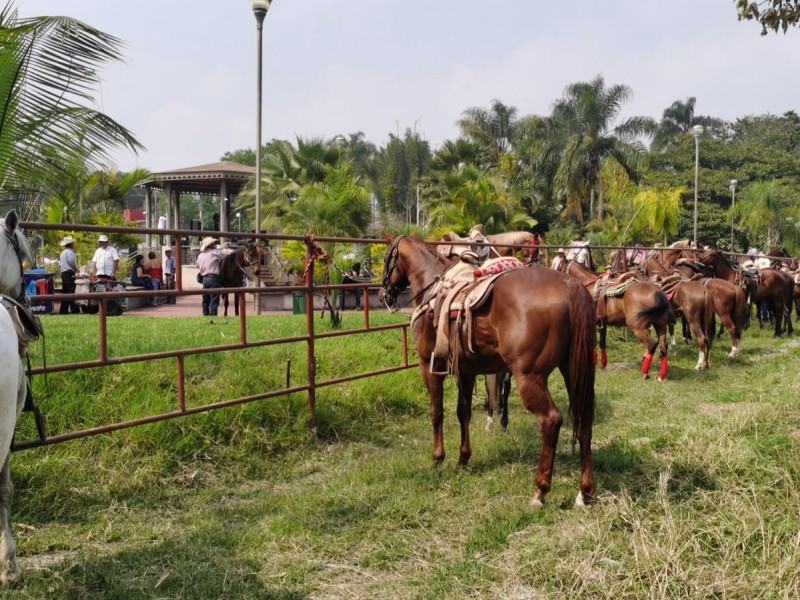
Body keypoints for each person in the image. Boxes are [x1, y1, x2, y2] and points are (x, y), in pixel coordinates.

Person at [196, 236, 223, 322]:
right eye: (213, 243)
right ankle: (212, 318)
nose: (215, 245)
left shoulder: (200, 255)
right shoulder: (214, 253)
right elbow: (225, 254)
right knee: (214, 299)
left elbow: (197, 266)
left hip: (205, 279)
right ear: (211, 245)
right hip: (214, 278)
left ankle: (206, 316)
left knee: (205, 299)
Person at [58, 235, 81, 314]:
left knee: (65, 292)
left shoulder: (62, 253)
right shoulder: (70, 253)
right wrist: (76, 270)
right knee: (71, 291)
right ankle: (74, 310)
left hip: (64, 273)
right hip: (69, 273)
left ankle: (63, 310)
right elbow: (71, 262)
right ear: (71, 244)